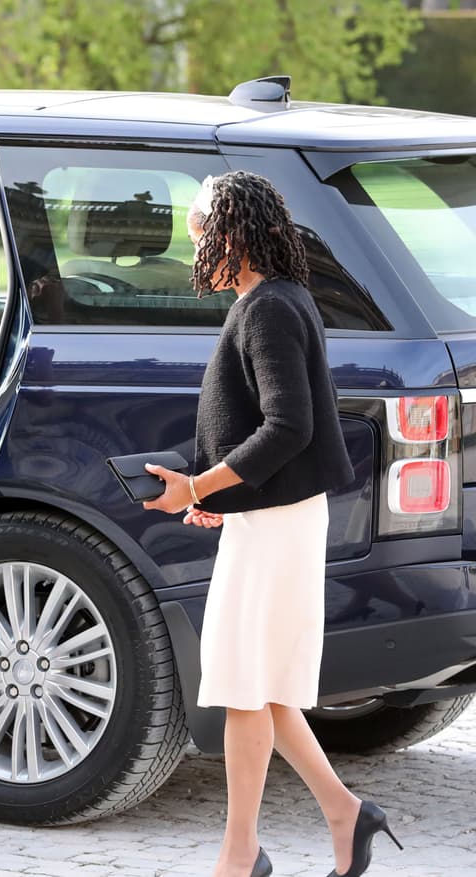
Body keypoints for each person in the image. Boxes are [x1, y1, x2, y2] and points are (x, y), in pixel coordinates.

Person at [144, 172, 401, 877]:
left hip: (278, 528)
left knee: (244, 686)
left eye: (201, 246)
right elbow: (265, 430)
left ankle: (240, 854)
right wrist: (217, 496)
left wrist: (198, 484)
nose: (199, 262)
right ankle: (346, 816)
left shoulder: (269, 310)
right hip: (270, 519)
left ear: (230, 237)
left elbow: (289, 427)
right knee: (264, 689)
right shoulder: (281, 301)